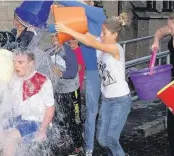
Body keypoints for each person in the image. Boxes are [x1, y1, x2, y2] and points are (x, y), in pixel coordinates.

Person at [56, 12, 131, 156]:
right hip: (107, 100)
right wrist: (64, 22)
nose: (101, 35)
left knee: (111, 139)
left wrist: (67, 29)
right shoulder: (101, 45)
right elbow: (87, 36)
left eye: (104, 33)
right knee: (102, 140)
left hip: (121, 100)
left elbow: (91, 42)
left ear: (114, 35)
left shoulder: (116, 49)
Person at [48, 1, 106, 154]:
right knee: (83, 114)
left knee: (89, 113)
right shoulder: (79, 20)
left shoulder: (97, 14)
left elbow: (75, 5)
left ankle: (86, 145)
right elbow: (57, 28)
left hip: (94, 74)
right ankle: (84, 146)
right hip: (80, 79)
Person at [0, 50, 55, 156]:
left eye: (20, 63)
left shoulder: (42, 80)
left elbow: (50, 109)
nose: (16, 66)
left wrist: (43, 130)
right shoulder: (13, 78)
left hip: (35, 121)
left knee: (9, 137)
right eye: (14, 62)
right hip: (17, 119)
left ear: (31, 64)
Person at [45, 35, 83, 156]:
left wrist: (60, 73)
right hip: (58, 90)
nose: (54, 39)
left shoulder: (68, 52)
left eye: (57, 36)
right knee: (59, 117)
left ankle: (78, 144)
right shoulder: (49, 51)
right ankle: (62, 138)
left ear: (62, 38)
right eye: (52, 37)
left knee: (74, 119)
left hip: (71, 90)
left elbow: (72, 72)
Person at [151, 12, 174, 156]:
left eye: (172, 29)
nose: (169, 31)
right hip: (172, 85)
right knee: (171, 125)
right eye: (169, 27)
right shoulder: (170, 29)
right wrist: (156, 41)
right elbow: (160, 31)